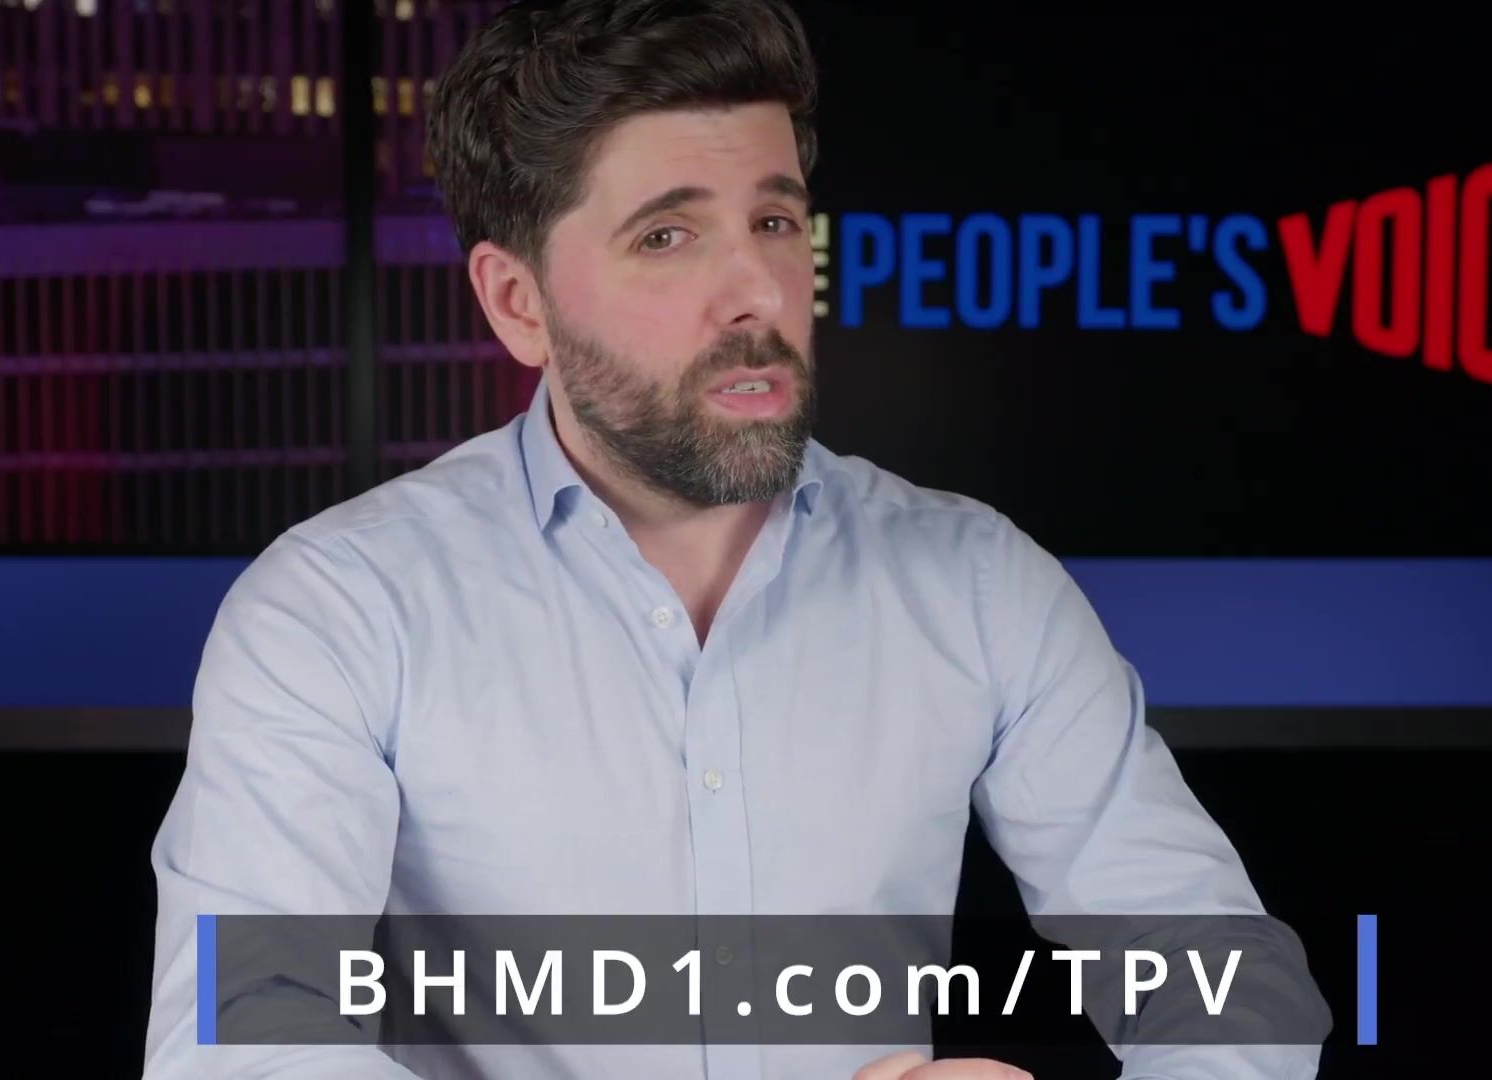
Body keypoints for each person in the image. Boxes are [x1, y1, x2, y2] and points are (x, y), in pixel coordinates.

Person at [142, 1, 1327, 1076]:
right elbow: (241, 1048)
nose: (757, 291)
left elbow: (1228, 981)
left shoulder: (977, 585)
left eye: (774, 219)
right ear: (517, 303)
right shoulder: (340, 609)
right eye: (667, 236)